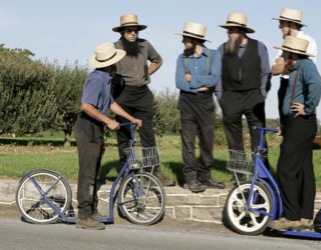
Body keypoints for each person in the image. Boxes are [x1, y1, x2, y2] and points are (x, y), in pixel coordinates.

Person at [74, 42, 143, 230]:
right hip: (87, 127)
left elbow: (112, 104)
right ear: (110, 62)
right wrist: (108, 121)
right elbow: (86, 106)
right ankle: (83, 216)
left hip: (95, 128)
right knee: (88, 172)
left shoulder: (106, 78)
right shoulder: (96, 78)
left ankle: (92, 210)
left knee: (95, 171)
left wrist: (131, 118)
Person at [111, 13, 175, 186]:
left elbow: (158, 60)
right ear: (122, 31)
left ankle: (154, 170)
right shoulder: (115, 47)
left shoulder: (145, 45)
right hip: (122, 93)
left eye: (135, 30)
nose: (133, 33)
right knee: (124, 134)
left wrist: (147, 73)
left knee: (148, 135)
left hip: (143, 95)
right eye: (130, 30)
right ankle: (126, 170)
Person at [269, 36, 321, 231]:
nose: (281, 55)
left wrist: (307, 108)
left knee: (285, 168)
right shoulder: (294, 70)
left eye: (284, 52)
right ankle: (305, 218)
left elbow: (317, 85)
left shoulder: (306, 66)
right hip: (295, 123)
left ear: (292, 54)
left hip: (302, 122)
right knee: (303, 170)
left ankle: (291, 216)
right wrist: (285, 124)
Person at [175, 22, 225, 193]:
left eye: (185, 38)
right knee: (188, 142)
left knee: (207, 140)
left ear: (195, 39)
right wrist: (200, 84)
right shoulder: (182, 58)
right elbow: (180, 82)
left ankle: (205, 175)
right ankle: (190, 178)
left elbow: (214, 79)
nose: (182, 41)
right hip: (186, 102)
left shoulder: (214, 55)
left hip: (205, 102)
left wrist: (193, 80)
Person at [217, 12, 272, 167]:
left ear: (242, 31)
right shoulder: (221, 49)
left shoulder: (259, 47)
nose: (229, 33)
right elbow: (217, 76)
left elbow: (266, 71)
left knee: (258, 134)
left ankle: (260, 171)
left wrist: (262, 93)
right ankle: (239, 171)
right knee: (233, 138)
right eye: (228, 30)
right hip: (230, 97)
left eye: (232, 30)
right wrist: (221, 97)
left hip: (254, 96)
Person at [271, 8, 318, 121]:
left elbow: (301, 67)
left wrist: (284, 63)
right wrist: (287, 65)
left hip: (299, 88)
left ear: (292, 24)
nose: (279, 27)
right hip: (284, 86)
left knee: (297, 124)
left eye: (282, 23)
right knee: (286, 127)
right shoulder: (285, 44)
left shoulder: (308, 41)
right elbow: (273, 70)